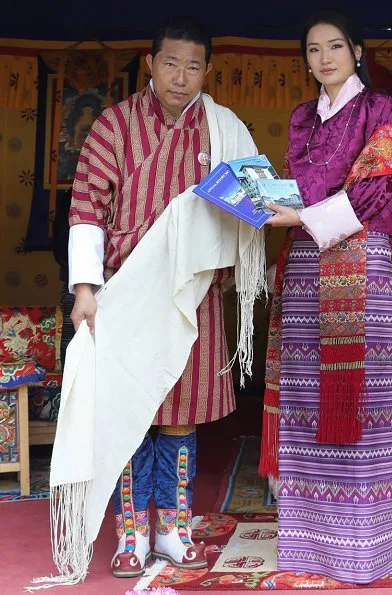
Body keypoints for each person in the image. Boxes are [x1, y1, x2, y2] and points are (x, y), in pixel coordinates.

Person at [68, 17, 259, 579]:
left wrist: (265, 204)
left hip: (192, 290)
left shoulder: (222, 130)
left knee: (181, 414)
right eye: (171, 63)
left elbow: (250, 201)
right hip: (124, 291)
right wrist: (85, 290)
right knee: (131, 413)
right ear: (150, 64)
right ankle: (130, 531)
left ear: (207, 71)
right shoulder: (114, 126)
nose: (181, 77)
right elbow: (86, 208)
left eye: (193, 65)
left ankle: (173, 530)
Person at [259, 9, 392, 584]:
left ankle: (357, 549)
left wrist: (298, 214)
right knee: (303, 398)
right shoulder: (303, 118)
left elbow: (373, 194)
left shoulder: (379, 110)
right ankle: (306, 546)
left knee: (358, 404)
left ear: (358, 52)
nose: (324, 58)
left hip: (356, 259)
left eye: (335, 47)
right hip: (302, 263)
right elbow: (302, 188)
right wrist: (263, 201)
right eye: (313, 50)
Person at [52, 187, 75, 370]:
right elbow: (61, 242)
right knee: (72, 348)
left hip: (73, 279)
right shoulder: (73, 195)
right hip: (74, 282)